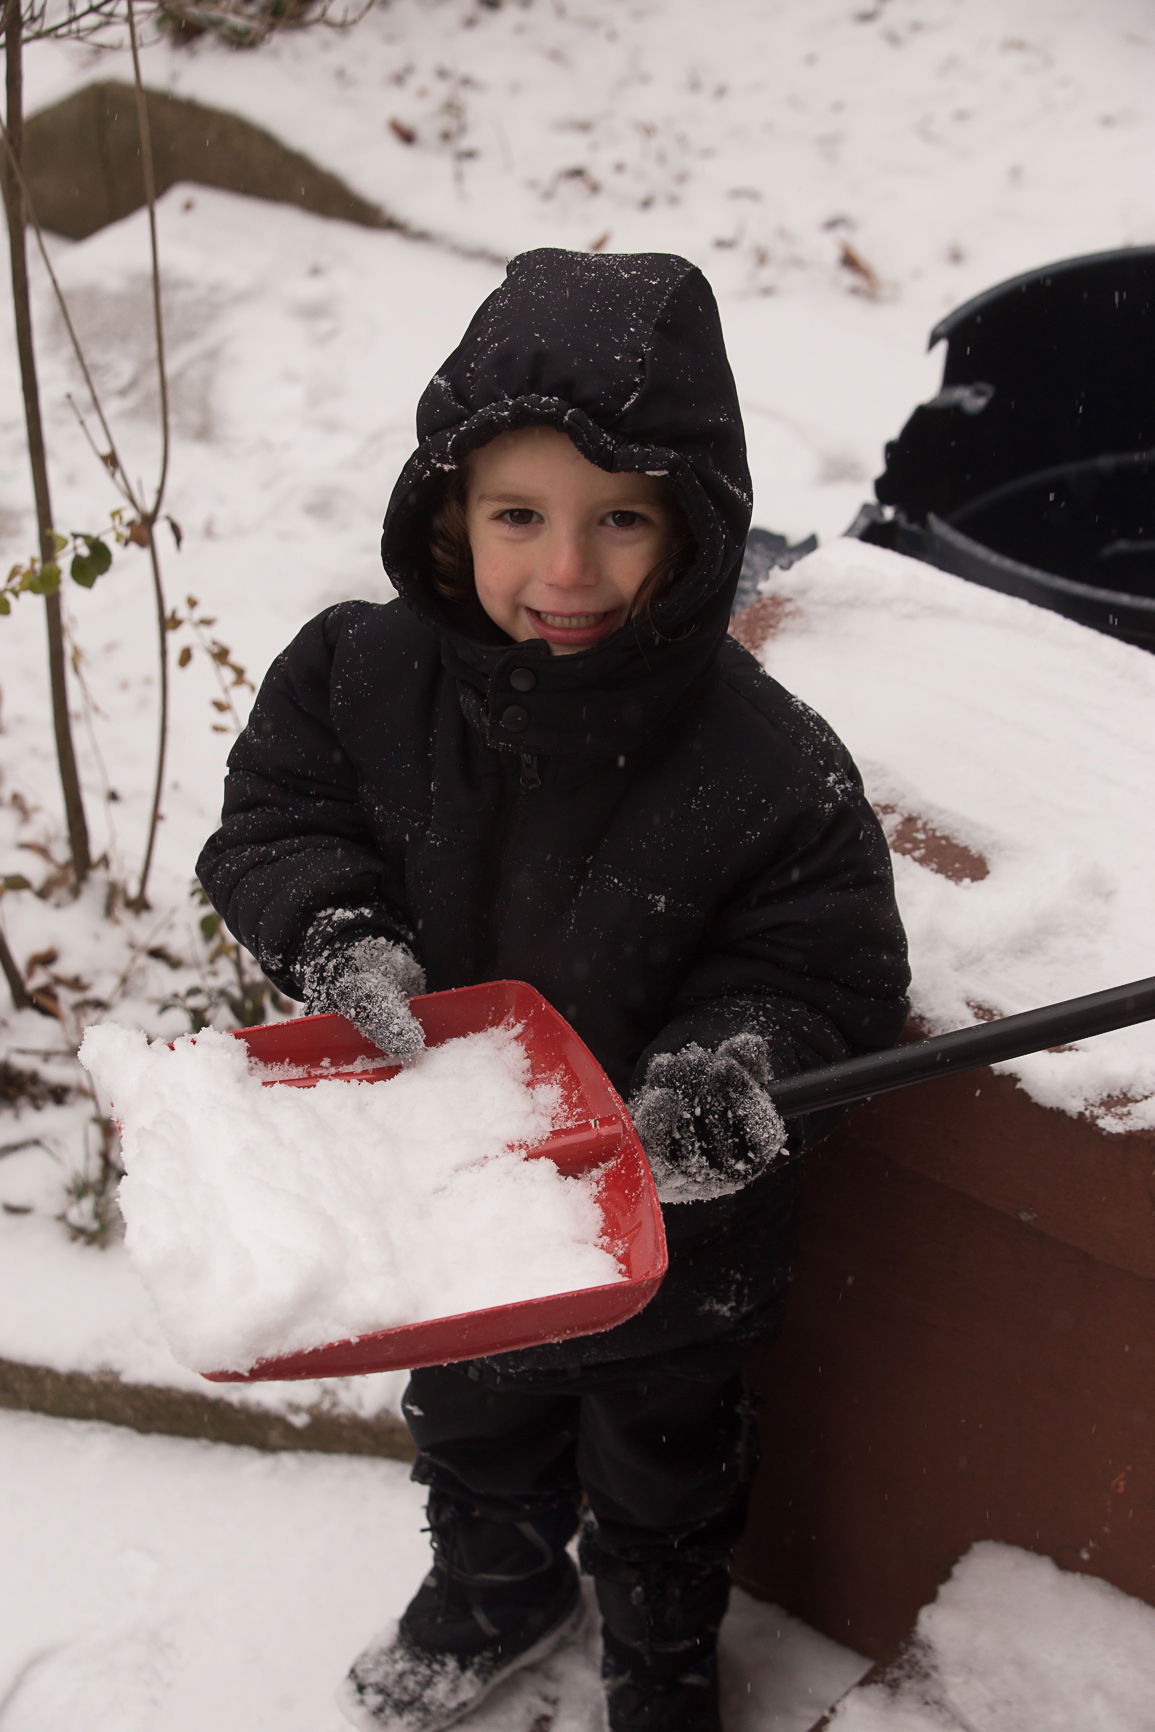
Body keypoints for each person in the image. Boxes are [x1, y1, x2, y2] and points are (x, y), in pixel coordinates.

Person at [197, 248, 910, 1732]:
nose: (568, 571)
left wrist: (736, 1069)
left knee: (668, 1475)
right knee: (470, 1428)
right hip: (452, 1206)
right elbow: (279, 821)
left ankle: (660, 1667)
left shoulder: (771, 766)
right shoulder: (355, 677)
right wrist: (337, 932)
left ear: (696, 533)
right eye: (520, 516)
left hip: (671, 1238)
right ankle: (497, 1586)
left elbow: (818, 966)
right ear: (449, 515)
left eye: (622, 522)